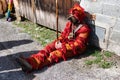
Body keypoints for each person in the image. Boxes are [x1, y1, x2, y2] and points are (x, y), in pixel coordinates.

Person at [17, 3, 91, 73]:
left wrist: (62, 46)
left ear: (78, 18)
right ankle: (30, 61)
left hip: (75, 49)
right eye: (71, 16)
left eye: (73, 17)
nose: (71, 19)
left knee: (54, 54)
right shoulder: (70, 24)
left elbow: (78, 44)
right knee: (49, 47)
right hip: (66, 43)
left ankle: (33, 66)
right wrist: (59, 41)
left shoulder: (84, 29)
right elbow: (63, 34)